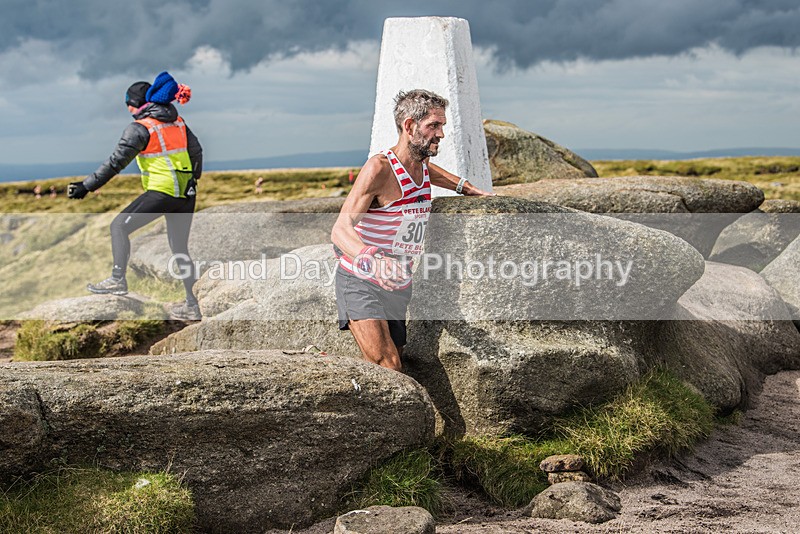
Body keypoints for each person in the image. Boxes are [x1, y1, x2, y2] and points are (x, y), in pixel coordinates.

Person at [331, 89, 493, 371]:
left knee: (395, 362)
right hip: (361, 278)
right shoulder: (379, 169)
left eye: (442, 125)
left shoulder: (421, 163)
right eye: (434, 125)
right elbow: (340, 229)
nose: (441, 134)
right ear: (409, 126)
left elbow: (432, 172)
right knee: (389, 365)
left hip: (397, 280)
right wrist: (374, 259)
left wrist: (465, 187)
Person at [67, 71, 203, 320]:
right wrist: (193, 179)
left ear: (135, 104)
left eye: (127, 103)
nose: (127, 108)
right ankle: (193, 305)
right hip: (186, 193)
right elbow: (196, 152)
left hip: (162, 192)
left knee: (119, 226)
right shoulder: (178, 122)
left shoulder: (140, 128)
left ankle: (117, 279)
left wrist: (86, 186)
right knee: (179, 247)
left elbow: (115, 163)